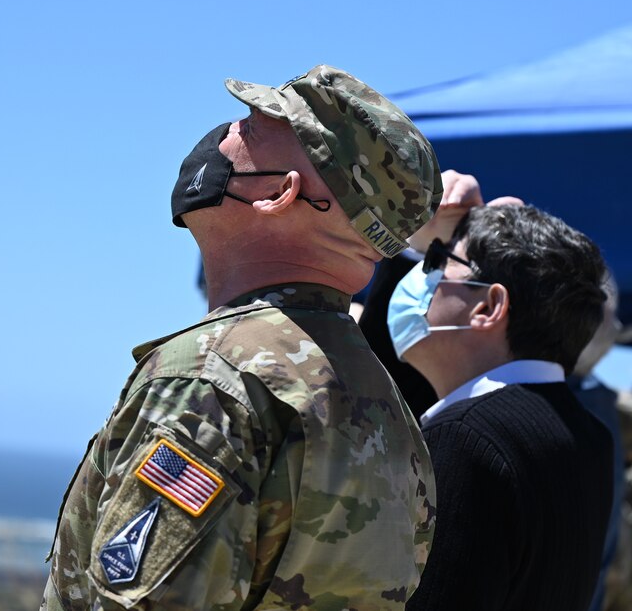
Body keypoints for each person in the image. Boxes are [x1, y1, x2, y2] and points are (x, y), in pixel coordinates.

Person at [42, 65, 443, 611]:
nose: (225, 136)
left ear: (279, 192)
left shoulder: (214, 376)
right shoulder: (382, 401)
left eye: (250, 130)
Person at [386, 204, 612, 611]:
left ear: (488, 306)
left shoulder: (466, 436)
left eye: (440, 261)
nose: (423, 276)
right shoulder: (589, 433)